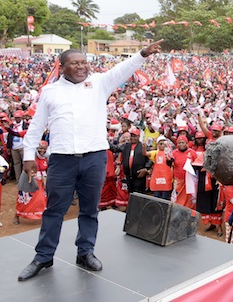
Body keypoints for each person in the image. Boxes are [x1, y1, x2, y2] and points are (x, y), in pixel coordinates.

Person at [18, 40, 163, 282]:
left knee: (89, 210)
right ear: (61, 66)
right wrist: (29, 156)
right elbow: (36, 127)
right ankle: (43, 256)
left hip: (94, 157)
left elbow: (121, 69)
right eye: (74, 63)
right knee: (55, 210)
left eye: (84, 62)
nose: (81, 67)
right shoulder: (50, 92)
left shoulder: (98, 83)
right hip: (62, 160)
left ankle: (85, 252)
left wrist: (142, 54)